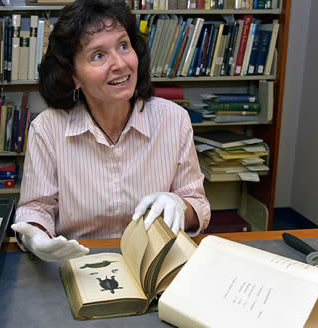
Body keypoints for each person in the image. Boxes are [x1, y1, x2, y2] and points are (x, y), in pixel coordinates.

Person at [11, 0, 210, 263]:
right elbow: (36, 209)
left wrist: (179, 206)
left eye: (123, 45)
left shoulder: (174, 119)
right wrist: (35, 237)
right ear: (73, 77)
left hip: (153, 263)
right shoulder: (47, 129)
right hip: (80, 265)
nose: (120, 64)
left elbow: (197, 204)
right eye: (98, 55)